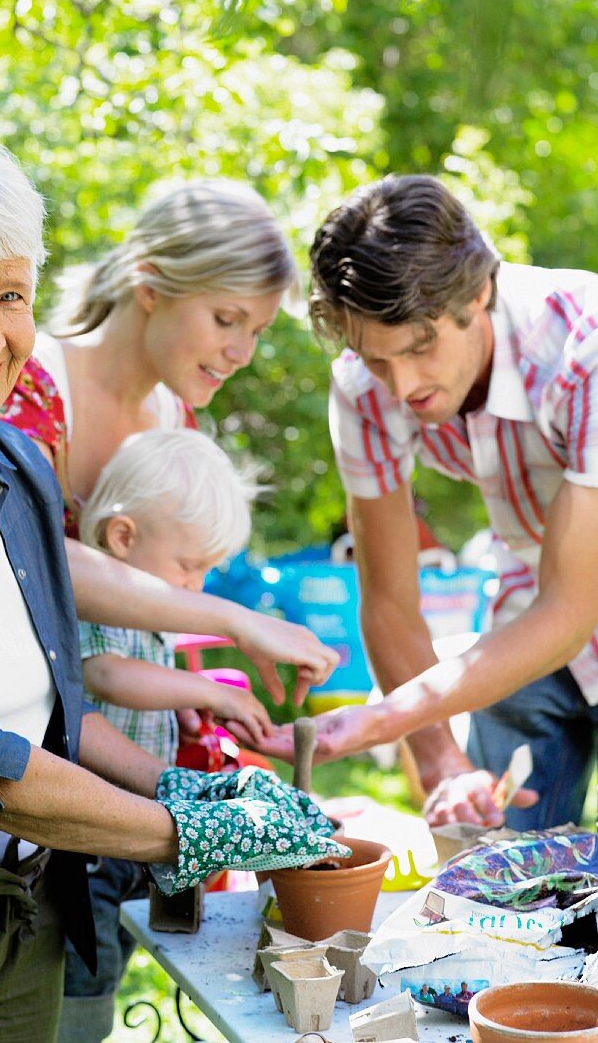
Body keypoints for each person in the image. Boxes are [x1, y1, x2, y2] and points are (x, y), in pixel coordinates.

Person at [0, 133, 349, 1042]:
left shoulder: (16, 466)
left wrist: (183, 788)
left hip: (24, 914)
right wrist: (182, 834)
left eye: (11, 298)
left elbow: (53, 711)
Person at [256, 174, 597, 831]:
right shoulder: (363, 388)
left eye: (419, 347)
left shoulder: (581, 348)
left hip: (564, 602)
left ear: (479, 291)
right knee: (499, 879)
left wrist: (382, 716)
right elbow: (387, 600)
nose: (402, 384)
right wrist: (440, 759)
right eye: (376, 358)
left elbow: (570, 611)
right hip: (534, 609)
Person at [0, 176, 341, 711]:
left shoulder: (173, 421)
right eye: (227, 320)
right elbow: (29, 555)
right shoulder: (32, 385)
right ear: (152, 285)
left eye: (257, 331)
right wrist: (234, 621)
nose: (242, 353)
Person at [61, 427, 274, 1040]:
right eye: (189, 567)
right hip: (89, 840)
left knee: (120, 948)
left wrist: (179, 707)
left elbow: (146, 678)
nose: (197, 589)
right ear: (123, 537)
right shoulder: (93, 602)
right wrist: (206, 691)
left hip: (135, 830)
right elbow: (105, 673)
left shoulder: (149, 613)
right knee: (87, 965)